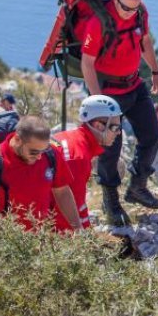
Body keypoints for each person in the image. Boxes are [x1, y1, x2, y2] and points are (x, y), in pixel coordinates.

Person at [80, 0, 158, 226]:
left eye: (134, 8)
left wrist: (156, 71)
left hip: (134, 84)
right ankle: (110, 200)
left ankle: (137, 187)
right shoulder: (98, 23)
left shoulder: (139, 13)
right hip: (108, 90)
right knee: (111, 148)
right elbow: (87, 62)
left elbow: (145, 41)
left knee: (152, 135)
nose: (129, 13)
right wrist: (98, 102)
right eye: (125, 8)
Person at [0, 115, 81, 231]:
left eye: (43, 151)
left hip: (39, 244)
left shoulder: (51, 155)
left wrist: (77, 228)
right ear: (17, 139)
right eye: (33, 152)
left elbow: (62, 191)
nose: (39, 157)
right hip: (3, 246)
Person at [52, 95, 123, 230]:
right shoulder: (78, 158)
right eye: (115, 128)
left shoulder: (73, 139)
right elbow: (70, 209)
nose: (119, 132)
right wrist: (87, 241)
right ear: (98, 126)